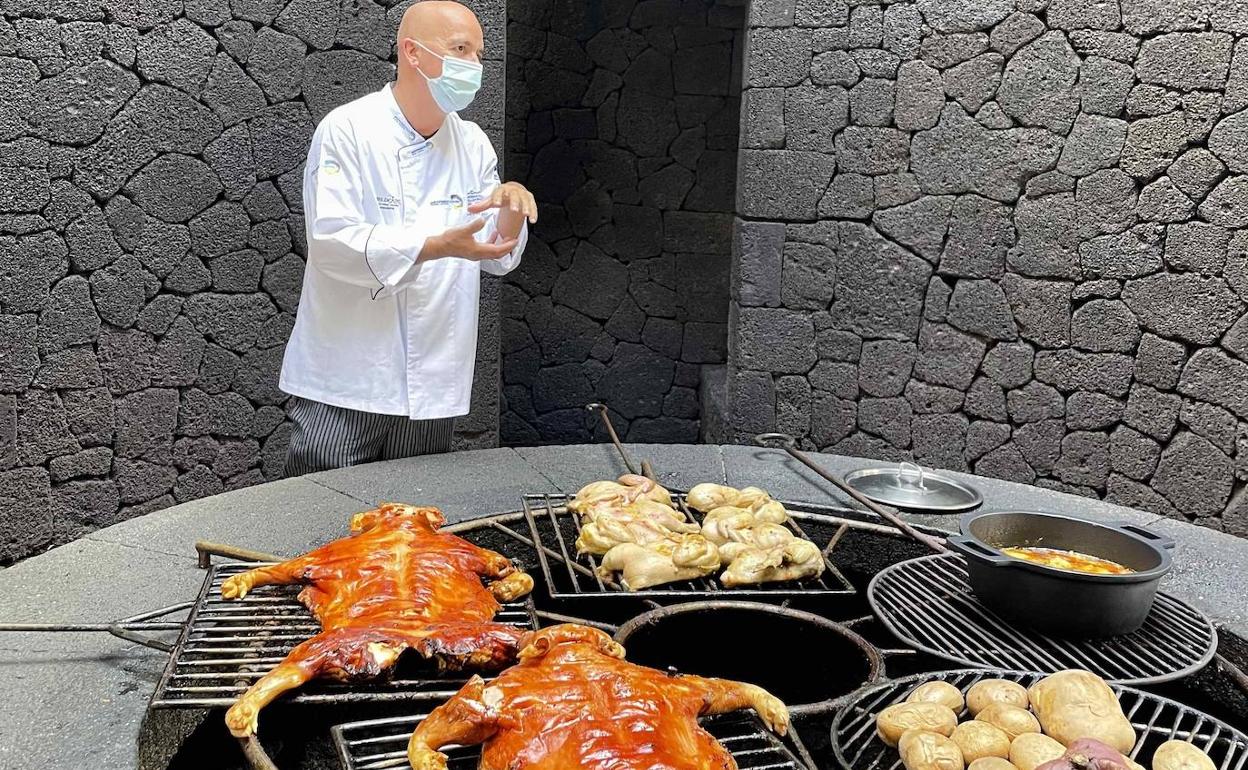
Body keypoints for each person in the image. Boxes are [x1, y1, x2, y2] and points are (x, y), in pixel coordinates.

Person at [279, 0, 537, 475]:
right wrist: (435, 246)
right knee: (322, 522)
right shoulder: (348, 129)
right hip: (349, 376)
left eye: (479, 55)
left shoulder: (473, 141)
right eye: (460, 49)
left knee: (411, 528)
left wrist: (513, 209)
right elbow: (332, 242)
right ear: (412, 53)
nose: (474, 66)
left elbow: (496, 256)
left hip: (433, 380)